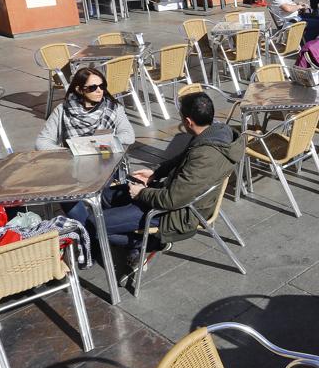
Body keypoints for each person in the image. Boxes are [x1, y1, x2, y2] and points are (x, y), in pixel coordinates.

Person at [67, 92, 243, 273]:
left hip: (178, 212)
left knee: (94, 224)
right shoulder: (215, 133)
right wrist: (155, 172)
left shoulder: (206, 155)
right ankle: (125, 237)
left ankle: (151, 242)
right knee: (105, 197)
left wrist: (141, 193)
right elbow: (182, 159)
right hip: (175, 192)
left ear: (189, 122)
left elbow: (172, 200)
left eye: (181, 118)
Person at [36, 67, 135, 150]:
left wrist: (99, 144)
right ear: (79, 90)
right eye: (93, 88)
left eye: (102, 86)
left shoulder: (114, 108)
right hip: (74, 164)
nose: (99, 91)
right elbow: (42, 142)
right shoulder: (62, 110)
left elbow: (128, 136)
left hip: (107, 161)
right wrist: (70, 152)